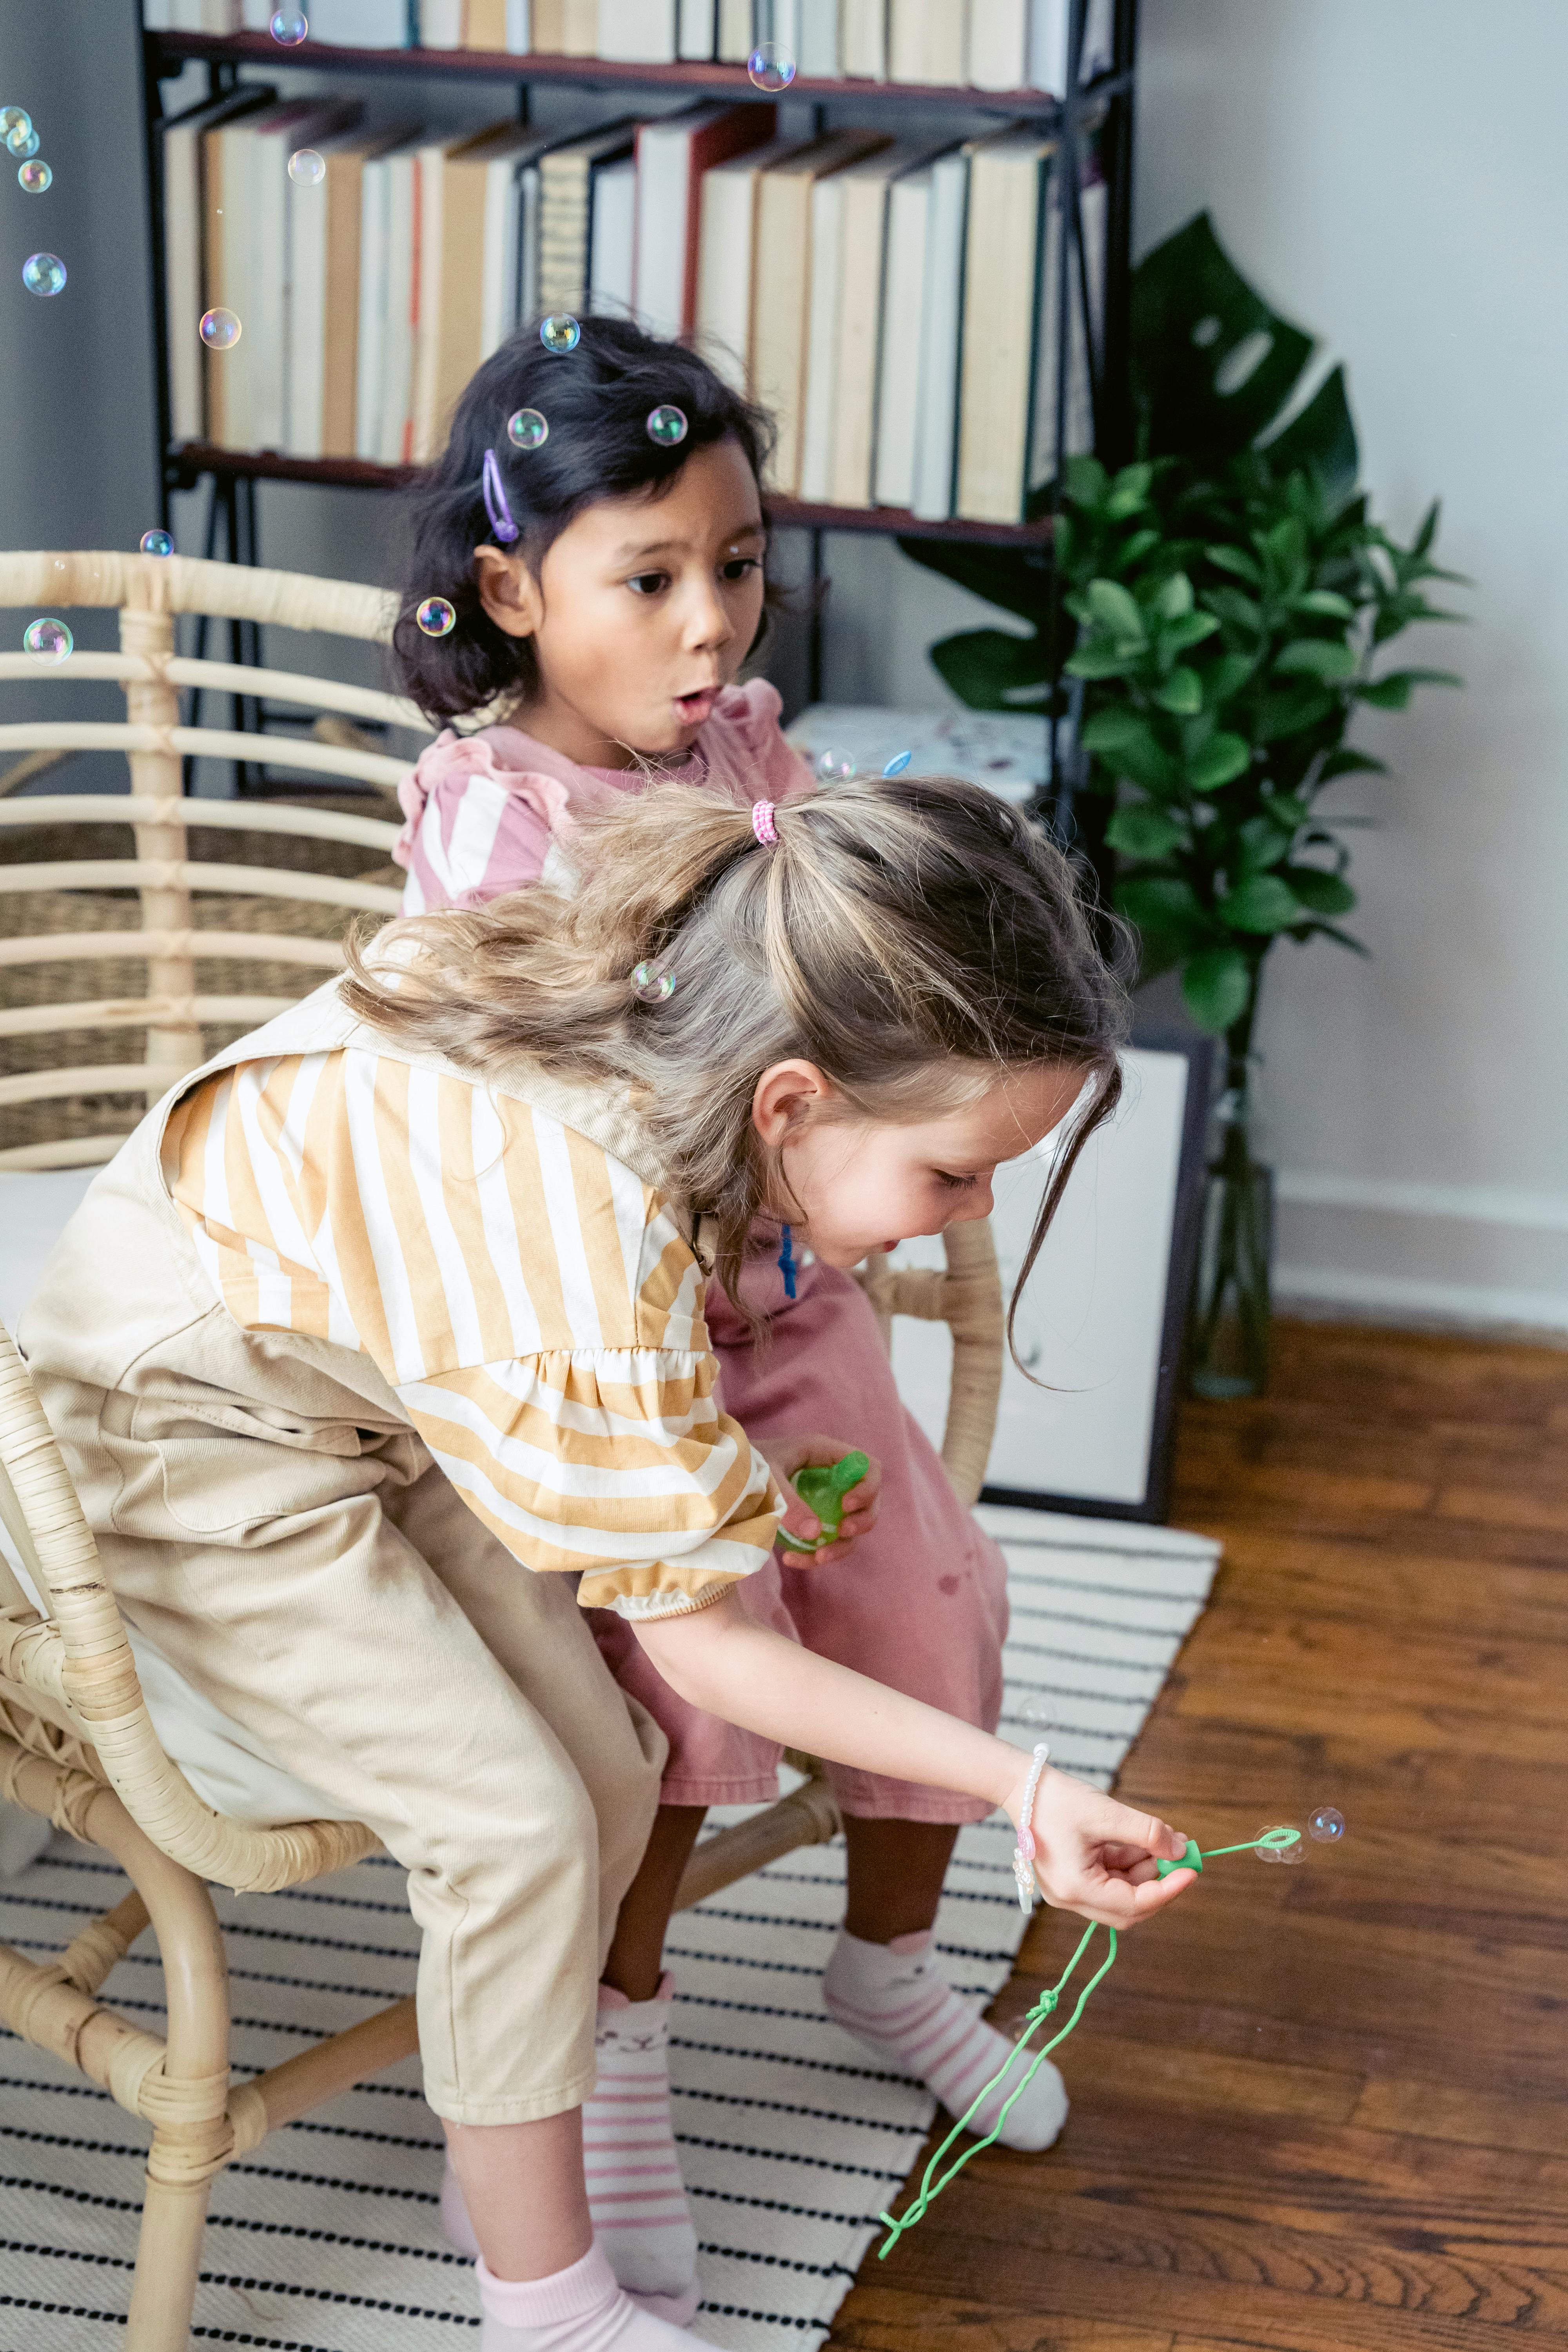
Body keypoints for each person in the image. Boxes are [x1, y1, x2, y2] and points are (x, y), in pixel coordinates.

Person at [20, 771, 1196, 2352]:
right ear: (789, 1104)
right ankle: (545, 2304)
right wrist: (1020, 1785)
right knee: (513, 1829)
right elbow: (714, 1641)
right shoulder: (589, 1242)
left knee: (614, 1765)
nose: (962, 1217)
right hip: (181, 1437)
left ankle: (508, 2157)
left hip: (375, 1397)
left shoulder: (657, 1029)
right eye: (950, 1174)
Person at [388, 318, 1083, 2314]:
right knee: (687, 1701)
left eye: (739, 564)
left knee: (932, 1610)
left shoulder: (747, 749)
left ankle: (889, 1967)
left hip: (794, 1311)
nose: (708, 623)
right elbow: (521, 1098)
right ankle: (619, 2046)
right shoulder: (491, 817)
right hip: (614, 1354)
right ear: (514, 592)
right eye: (649, 578)